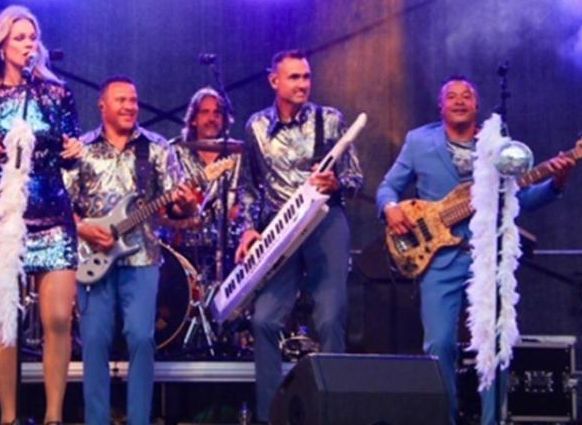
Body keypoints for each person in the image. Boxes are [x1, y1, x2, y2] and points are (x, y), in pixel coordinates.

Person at [376, 76, 574, 424]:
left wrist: (556, 183)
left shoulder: (497, 146)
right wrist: (391, 208)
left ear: (477, 105)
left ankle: (491, 421)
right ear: (440, 106)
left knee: (494, 346)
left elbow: (522, 199)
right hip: (438, 258)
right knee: (438, 344)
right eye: (451, 96)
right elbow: (388, 187)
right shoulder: (419, 141)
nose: (459, 101)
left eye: (466, 96)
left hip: (487, 257)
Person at [0, 5, 83, 425]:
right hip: (4, 217)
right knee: (5, 320)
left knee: (57, 318)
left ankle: (54, 416)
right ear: (2, 45)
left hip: (52, 212)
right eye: (19, 38)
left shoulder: (57, 93)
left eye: (33, 37)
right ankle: (8, 417)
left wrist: (74, 151)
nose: (28, 44)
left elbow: (69, 150)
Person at [234, 49, 363, 423]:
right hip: (279, 228)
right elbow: (248, 187)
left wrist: (335, 182)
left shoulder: (330, 120)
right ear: (274, 81)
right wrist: (248, 228)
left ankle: (332, 414)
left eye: (306, 77)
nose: (303, 84)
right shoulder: (256, 126)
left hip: (324, 219)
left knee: (330, 317)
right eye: (294, 77)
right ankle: (270, 415)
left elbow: (356, 178)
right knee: (264, 319)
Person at [66, 76, 197, 425]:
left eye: (133, 100)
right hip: (91, 257)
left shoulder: (156, 147)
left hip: (142, 257)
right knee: (94, 341)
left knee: (141, 337)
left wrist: (186, 203)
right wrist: (84, 228)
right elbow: (63, 207)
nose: (129, 106)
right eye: (121, 100)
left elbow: (175, 209)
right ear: (102, 106)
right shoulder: (81, 149)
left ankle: (139, 419)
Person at [163, 87, 245, 278]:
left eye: (217, 113)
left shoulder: (237, 153)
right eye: (205, 112)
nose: (211, 118)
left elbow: (251, 196)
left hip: (230, 248)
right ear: (193, 119)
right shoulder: (175, 152)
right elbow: (164, 206)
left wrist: (240, 210)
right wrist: (182, 209)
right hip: (184, 249)